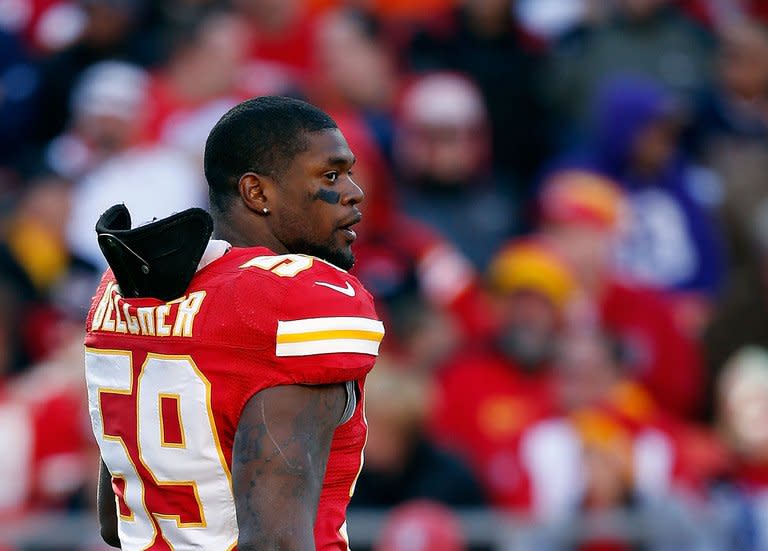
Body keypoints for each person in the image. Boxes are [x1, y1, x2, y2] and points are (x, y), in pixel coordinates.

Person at [84, 96, 385, 550]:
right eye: (330, 175)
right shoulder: (294, 298)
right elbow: (274, 542)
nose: (353, 191)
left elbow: (114, 520)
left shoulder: (127, 286)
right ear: (257, 192)